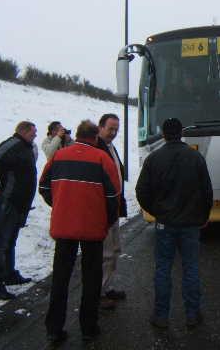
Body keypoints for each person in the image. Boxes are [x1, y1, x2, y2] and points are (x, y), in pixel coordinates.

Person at [39, 120, 121, 343]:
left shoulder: (59, 156)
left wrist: (60, 205)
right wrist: (106, 219)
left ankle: (54, 329)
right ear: (95, 137)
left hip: (64, 227)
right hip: (92, 228)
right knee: (91, 278)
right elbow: (114, 196)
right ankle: (88, 327)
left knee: (61, 279)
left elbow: (44, 187)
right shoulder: (102, 159)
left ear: (76, 134)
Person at [136, 118, 213, 329]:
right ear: (181, 133)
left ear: (163, 134)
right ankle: (192, 314)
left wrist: (157, 211)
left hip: (165, 223)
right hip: (190, 224)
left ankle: (161, 316)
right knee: (190, 268)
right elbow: (207, 191)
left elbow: (141, 191)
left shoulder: (154, 158)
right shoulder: (195, 157)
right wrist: (203, 215)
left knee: (163, 269)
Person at [0, 121, 38, 301]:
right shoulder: (12, 144)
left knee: (10, 240)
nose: (35, 136)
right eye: (32, 132)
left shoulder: (26, 147)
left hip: (19, 203)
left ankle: (9, 274)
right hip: (7, 202)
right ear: (22, 131)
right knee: (0, 241)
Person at [95, 113, 128, 309]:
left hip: (113, 209)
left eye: (116, 129)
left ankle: (106, 287)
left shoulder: (109, 146)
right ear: (100, 127)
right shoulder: (96, 147)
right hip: (103, 212)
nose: (114, 133)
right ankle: (97, 293)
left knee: (114, 250)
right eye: (110, 129)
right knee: (106, 254)